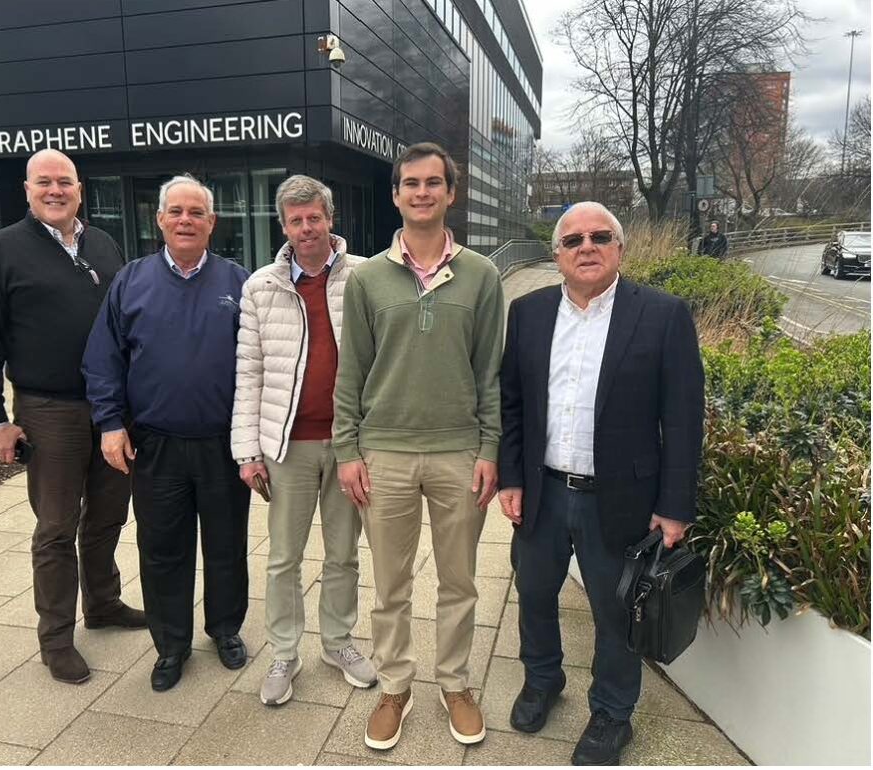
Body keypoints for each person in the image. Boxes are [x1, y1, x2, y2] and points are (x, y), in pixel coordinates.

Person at [498, 201, 705, 765]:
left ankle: (613, 714)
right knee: (535, 593)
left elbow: (684, 418)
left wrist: (675, 505)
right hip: (542, 491)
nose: (585, 247)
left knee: (616, 615)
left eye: (599, 236)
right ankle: (543, 680)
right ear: (557, 255)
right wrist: (510, 477)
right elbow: (511, 404)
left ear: (619, 247)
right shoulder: (529, 313)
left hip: (621, 500)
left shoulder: (662, 315)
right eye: (572, 240)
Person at [333, 142, 504, 750]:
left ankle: (455, 684)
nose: (423, 192)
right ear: (397, 194)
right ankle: (395, 687)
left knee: (459, 581)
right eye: (412, 183)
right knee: (391, 584)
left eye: (434, 182)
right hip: (386, 453)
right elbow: (350, 371)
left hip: (460, 453)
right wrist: (347, 450)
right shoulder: (368, 278)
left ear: (450, 193)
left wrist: (490, 449)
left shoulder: (482, 275)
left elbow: (490, 372)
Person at [0, 149, 145, 686]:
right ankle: (57, 637)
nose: (55, 190)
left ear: (79, 189)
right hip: (49, 409)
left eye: (64, 181)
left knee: (109, 513)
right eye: (44, 182)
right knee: (56, 526)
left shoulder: (103, 244)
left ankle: (105, 604)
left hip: (112, 408)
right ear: (26, 190)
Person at [81, 174, 251, 692]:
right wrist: (110, 423)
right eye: (175, 211)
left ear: (212, 223)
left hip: (224, 444)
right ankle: (171, 644)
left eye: (196, 213)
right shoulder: (131, 281)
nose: (185, 220)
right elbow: (102, 359)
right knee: (162, 549)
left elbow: (262, 364)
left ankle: (224, 629)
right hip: (155, 444)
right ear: (159, 220)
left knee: (226, 545)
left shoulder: (239, 282)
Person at [231, 174, 377, 706]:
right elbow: (249, 373)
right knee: (283, 558)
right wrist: (247, 451)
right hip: (286, 446)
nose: (306, 227)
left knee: (343, 554)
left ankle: (338, 643)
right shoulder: (260, 286)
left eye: (314, 217)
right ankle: (285, 652)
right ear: (284, 226)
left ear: (330, 219)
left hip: (346, 447)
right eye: (296, 220)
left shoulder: (366, 277)